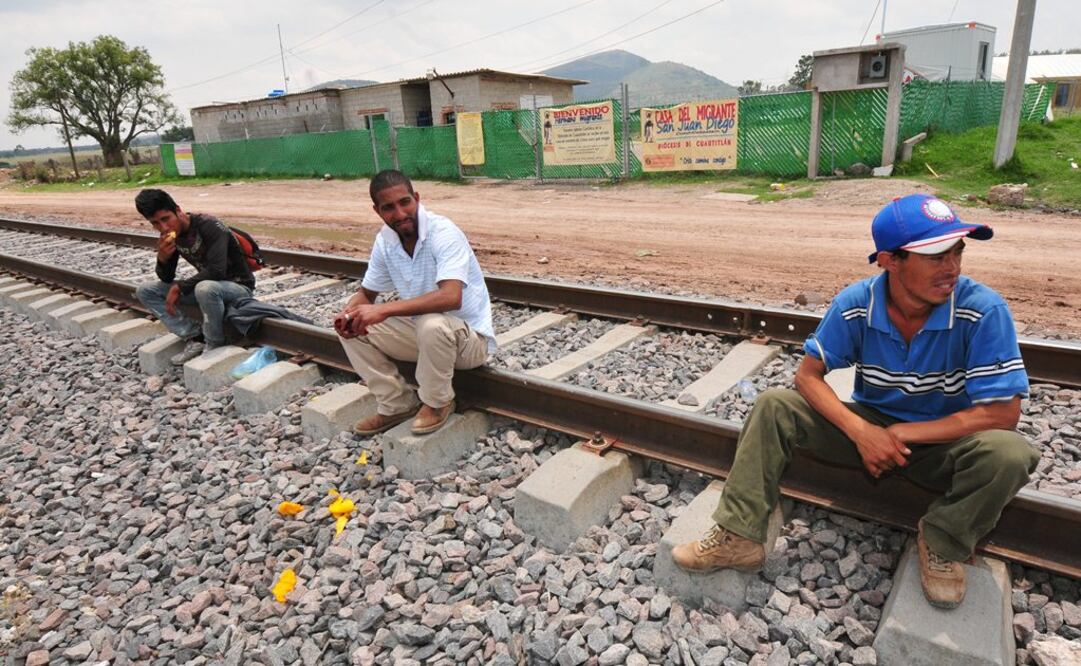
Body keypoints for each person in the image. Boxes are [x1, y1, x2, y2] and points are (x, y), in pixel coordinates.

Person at [673, 194, 1037, 610]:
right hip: (869, 425)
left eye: (957, 251)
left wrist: (899, 433)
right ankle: (738, 535)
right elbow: (807, 376)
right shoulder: (857, 303)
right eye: (936, 255)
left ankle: (943, 541)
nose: (952, 267)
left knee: (1011, 453)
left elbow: (1003, 413)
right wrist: (862, 432)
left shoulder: (983, 311)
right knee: (774, 406)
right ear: (890, 261)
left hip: (943, 441)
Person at [335, 170, 496, 436]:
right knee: (355, 327)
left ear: (417, 198)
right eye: (389, 207)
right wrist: (349, 314)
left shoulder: (443, 232)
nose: (399, 214)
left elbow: (450, 297)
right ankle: (397, 404)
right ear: (377, 211)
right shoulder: (385, 242)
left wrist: (383, 309)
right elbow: (366, 293)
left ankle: (437, 403)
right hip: (424, 337)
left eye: (405, 202)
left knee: (431, 324)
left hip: (469, 342)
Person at [134, 189, 256, 364]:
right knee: (145, 291)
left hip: (238, 288)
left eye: (165, 219)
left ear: (178, 210)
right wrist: (162, 259)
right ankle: (195, 337)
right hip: (209, 290)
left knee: (205, 287)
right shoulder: (171, 235)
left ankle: (215, 344)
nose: (164, 227)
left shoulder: (210, 226)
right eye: (155, 223)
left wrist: (180, 287)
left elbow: (217, 271)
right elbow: (166, 278)